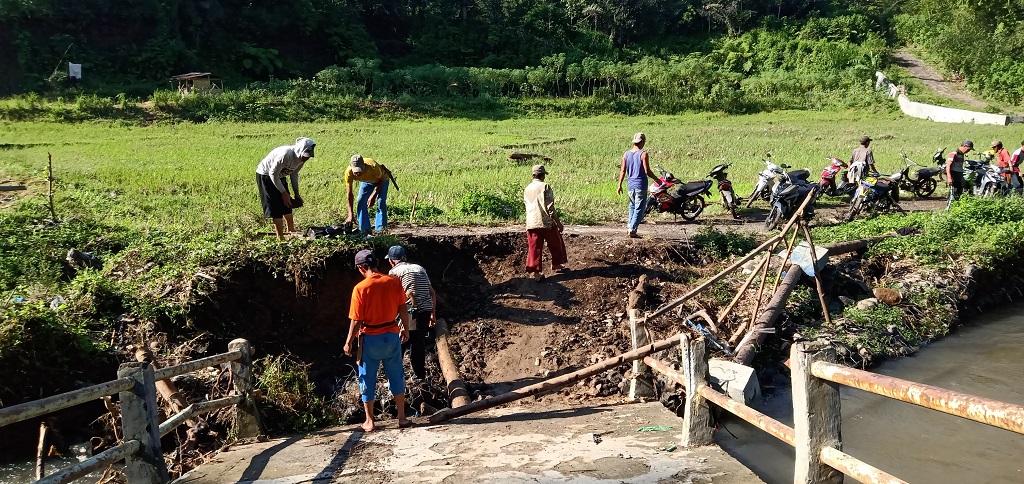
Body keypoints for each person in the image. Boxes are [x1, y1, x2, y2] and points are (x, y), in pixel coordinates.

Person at [343, 249, 412, 432]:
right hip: (392, 336)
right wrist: (405, 328)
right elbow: (403, 308)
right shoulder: (393, 281)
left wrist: (349, 342)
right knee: (396, 374)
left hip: (370, 339)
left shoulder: (360, 288)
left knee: (367, 378)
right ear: (376, 264)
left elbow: (356, 320)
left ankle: (370, 421)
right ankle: (402, 418)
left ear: (360, 268)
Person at [386, 245, 438, 382]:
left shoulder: (394, 272)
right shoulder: (420, 268)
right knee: (418, 341)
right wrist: (432, 313)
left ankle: (396, 377)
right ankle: (420, 376)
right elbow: (432, 292)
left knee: (401, 341)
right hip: (425, 308)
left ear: (392, 261)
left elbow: (399, 296)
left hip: (410, 309)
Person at [255, 137, 315, 240]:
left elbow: (294, 174)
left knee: (287, 204)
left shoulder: (302, 159)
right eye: (305, 156)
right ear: (300, 150)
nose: (305, 158)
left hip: (280, 176)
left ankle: (291, 231)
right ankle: (280, 237)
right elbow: (272, 173)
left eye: (308, 157)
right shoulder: (286, 155)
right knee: (275, 206)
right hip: (266, 175)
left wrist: (296, 193)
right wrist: (283, 192)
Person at [523, 164, 567, 282]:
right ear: (543, 176)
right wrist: (558, 223)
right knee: (556, 243)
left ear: (532, 175)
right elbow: (550, 208)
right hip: (545, 221)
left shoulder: (527, 188)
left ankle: (537, 274)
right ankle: (557, 264)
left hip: (531, 222)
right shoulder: (545, 186)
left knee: (535, 248)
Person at [616, 132, 659, 238]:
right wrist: (657, 179)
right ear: (642, 141)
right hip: (640, 184)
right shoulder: (643, 154)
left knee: (632, 206)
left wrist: (619, 185)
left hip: (630, 185)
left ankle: (629, 227)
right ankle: (632, 229)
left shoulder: (626, 154)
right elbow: (647, 170)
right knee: (639, 208)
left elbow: (622, 171)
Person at [344, 155, 396, 235]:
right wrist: (350, 215)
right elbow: (349, 194)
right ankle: (365, 230)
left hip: (382, 179)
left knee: (381, 202)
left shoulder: (373, 168)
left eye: (360, 171)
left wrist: (373, 196)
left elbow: (381, 180)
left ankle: (381, 230)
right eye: (356, 171)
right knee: (361, 202)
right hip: (367, 181)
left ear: (364, 166)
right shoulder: (348, 173)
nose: (358, 173)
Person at [946, 140, 973, 210]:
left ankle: (957, 208)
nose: (968, 151)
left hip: (959, 175)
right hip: (953, 175)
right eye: (968, 149)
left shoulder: (961, 154)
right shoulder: (953, 154)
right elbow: (948, 165)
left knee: (961, 191)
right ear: (964, 146)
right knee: (953, 193)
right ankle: (948, 209)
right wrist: (949, 177)